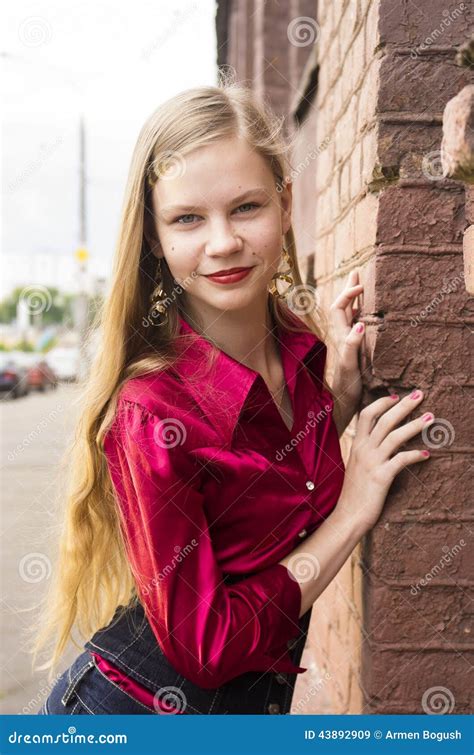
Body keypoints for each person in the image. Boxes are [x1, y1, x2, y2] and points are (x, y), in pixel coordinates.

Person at [30, 75, 434, 715]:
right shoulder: (152, 409)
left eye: (246, 207)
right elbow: (209, 647)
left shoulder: (305, 353)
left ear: (284, 204)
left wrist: (340, 401)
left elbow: (268, 496)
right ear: (157, 239)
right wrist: (354, 508)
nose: (222, 242)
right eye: (189, 219)